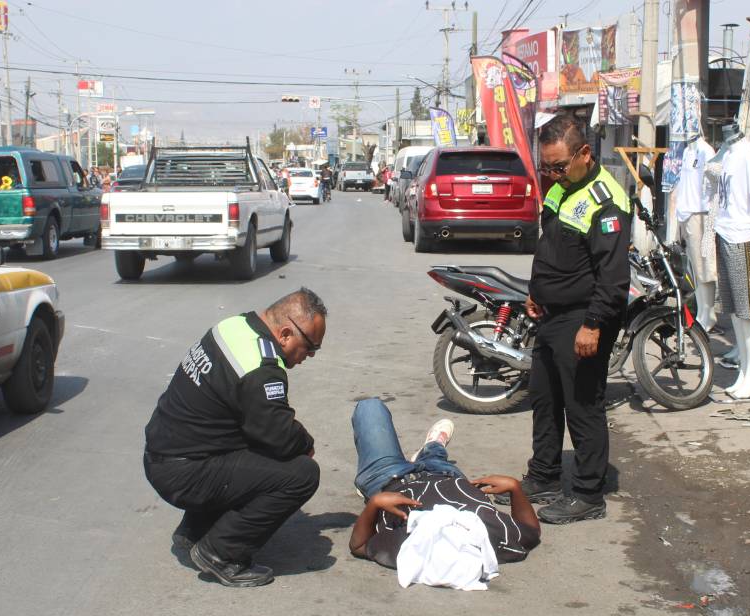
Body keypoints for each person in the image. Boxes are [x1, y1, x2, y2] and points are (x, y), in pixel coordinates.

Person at [143, 288, 327, 588]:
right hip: (183, 471)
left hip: (163, 455)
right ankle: (220, 552)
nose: (309, 357)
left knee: (249, 441)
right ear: (284, 334)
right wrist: (306, 444)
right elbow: (279, 436)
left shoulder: (234, 325)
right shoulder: (262, 368)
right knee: (301, 473)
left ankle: (195, 529)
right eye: (310, 348)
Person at [507, 113, 632, 524]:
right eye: (546, 166)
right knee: (545, 399)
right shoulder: (562, 189)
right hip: (551, 315)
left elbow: (613, 277)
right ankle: (543, 474)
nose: (553, 174)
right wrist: (535, 291)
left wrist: (593, 324)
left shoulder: (606, 200)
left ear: (584, 153)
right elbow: (554, 248)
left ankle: (588, 493)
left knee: (582, 406)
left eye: (559, 166)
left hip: (583, 317)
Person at [348, 398, 540, 577]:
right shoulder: (492, 536)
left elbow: (359, 545)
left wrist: (374, 504)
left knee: (369, 407)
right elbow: (530, 531)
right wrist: (515, 489)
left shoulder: (412, 545)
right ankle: (433, 446)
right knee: (436, 458)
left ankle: (430, 450)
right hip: (448, 475)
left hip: (389, 478)